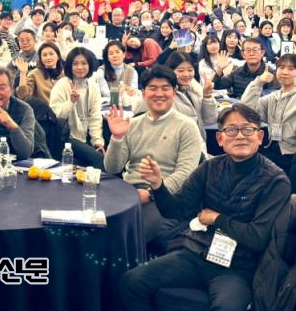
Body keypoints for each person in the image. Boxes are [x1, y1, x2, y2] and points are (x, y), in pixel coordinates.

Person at [120, 104, 291, 311]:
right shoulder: (210, 167)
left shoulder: (275, 181)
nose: (240, 136)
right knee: (131, 281)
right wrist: (158, 186)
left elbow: (257, 237)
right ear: (219, 139)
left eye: (248, 129)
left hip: (237, 267)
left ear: (260, 137)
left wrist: (216, 218)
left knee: (227, 307)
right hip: (196, 253)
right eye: (231, 130)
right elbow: (176, 210)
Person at [105, 65, 202, 254]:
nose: (159, 94)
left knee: (126, 233)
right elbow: (112, 168)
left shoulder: (187, 126)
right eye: (153, 88)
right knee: (97, 222)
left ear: (174, 93)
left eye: (165, 88)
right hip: (130, 192)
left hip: (166, 198)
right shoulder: (133, 123)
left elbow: (185, 174)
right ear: (143, 93)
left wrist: (151, 193)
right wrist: (116, 138)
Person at [241, 54, 296, 192]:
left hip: (292, 153)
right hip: (274, 148)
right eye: (281, 67)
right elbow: (246, 109)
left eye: (291, 68)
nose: (285, 72)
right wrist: (259, 82)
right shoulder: (273, 97)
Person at [50, 47, 105, 168]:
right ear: (69, 66)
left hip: (86, 135)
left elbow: (95, 117)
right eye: (75, 64)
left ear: (90, 65)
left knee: (105, 153)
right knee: (98, 159)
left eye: (84, 63)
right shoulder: (62, 85)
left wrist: (97, 142)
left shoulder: (93, 86)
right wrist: (71, 102)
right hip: (66, 137)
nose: (80, 67)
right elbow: (56, 116)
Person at [159, 51, 216, 149]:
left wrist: (207, 96)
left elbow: (209, 120)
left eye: (190, 70)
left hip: (198, 146)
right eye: (181, 71)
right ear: (170, 71)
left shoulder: (193, 90)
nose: (186, 74)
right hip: (180, 149)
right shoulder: (166, 95)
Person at [214, 37, 279, 99]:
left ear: (262, 53)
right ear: (243, 54)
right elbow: (217, 86)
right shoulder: (237, 72)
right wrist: (219, 70)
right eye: (248, 50)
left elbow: (274, 94)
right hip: (238, 105)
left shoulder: (271, 73)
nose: (251, 54)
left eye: (255, 50)